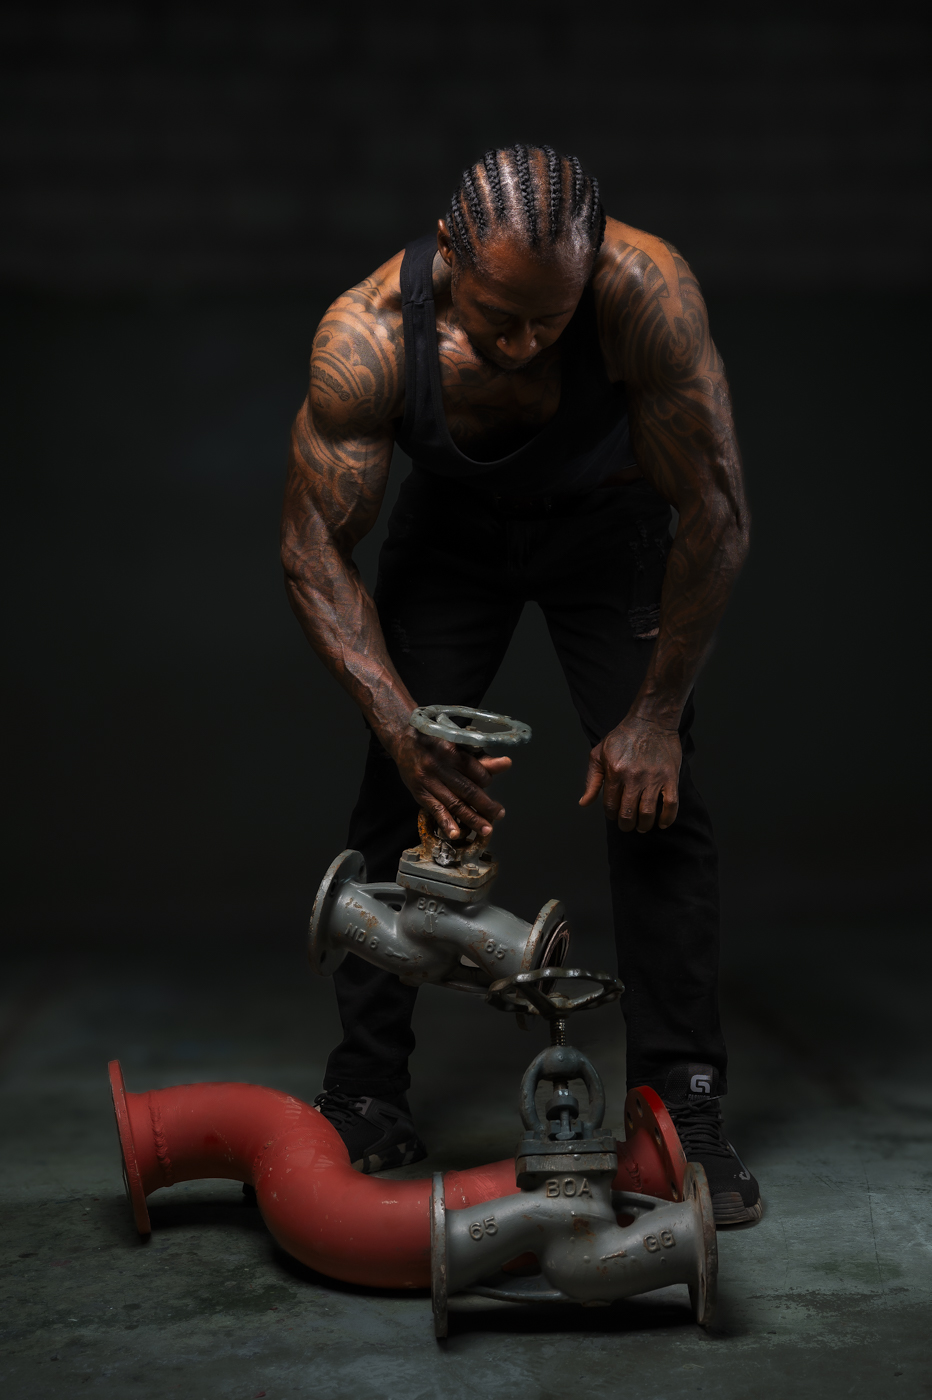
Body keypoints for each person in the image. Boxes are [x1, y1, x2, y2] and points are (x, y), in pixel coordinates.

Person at [281, 145, 759, 1226]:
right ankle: (366, 1092)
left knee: (659, 798)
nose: (525, 342)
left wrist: (654, 716)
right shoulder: (365, 337)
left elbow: (717, 509)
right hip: (453, 535)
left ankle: (681, 1104)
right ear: (450, 252)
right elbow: (311, 548)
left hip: (610, 527)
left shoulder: (645, 294)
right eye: (501, 316)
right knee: (399, 790)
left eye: (552, 318)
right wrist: (401, 724)